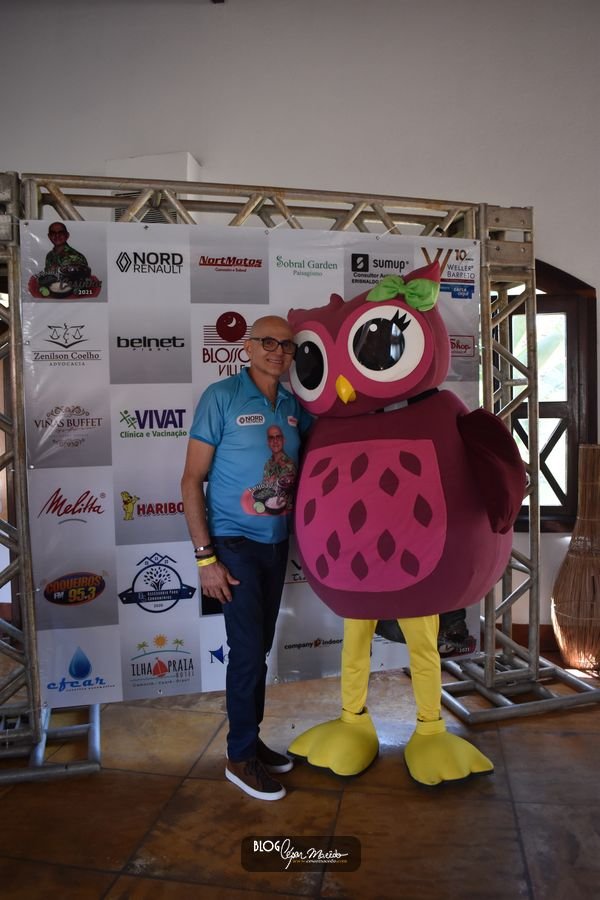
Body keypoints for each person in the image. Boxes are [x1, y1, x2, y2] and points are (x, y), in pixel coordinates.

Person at [181, 315, 312, 801]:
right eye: (268, 342)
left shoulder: (294, 405)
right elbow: (191, 480)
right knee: (247, 653)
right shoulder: (221, 396)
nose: (279, 351)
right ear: (248, 347)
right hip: (232, 544)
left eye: (288, 345)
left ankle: (250, 741)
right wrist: (205, 560)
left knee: (258, 649)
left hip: (276, 544)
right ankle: (239, 758)